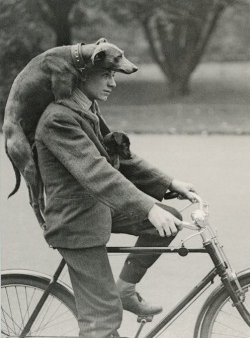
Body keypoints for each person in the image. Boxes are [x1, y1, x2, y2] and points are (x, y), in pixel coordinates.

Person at [35, 49, 199, 338]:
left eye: (114, 75)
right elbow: (97, 171)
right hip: (76, 222)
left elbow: (122, 157)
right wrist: (148, 206)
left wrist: (171, 183)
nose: (114, 82)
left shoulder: (86, 109)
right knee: (104, 318)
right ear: (80, 77)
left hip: (97, 208)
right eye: (107, 75)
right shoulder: (58, 120)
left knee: (168, 221)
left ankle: (124, 289)